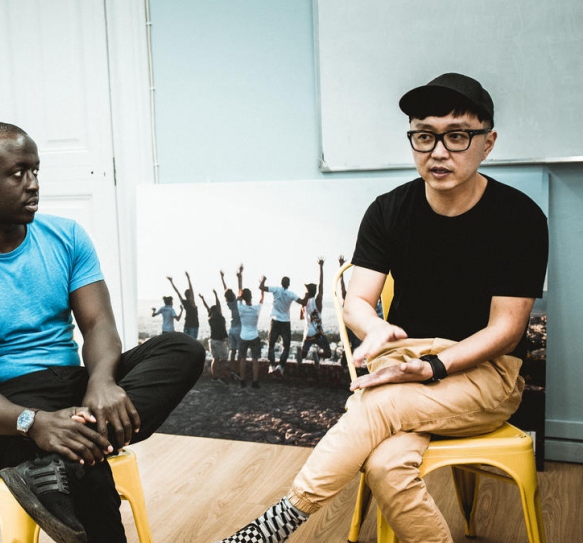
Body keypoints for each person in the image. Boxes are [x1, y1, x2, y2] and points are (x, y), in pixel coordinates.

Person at [217, 73, 548, 543]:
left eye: (457, 136)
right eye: (424, 136)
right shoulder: (388, 210)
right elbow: (358, 301)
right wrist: (371, 327)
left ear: (487, 142)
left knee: (380, 407)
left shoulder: (520, 218)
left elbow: (507, 330)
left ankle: (275, 525)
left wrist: (432, 367)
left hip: (485, 373)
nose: (438, 152)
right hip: (402, 365)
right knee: (387, 464)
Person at [0, 122, 204, 543]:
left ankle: (67, 449)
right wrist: (33, 423)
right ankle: (71, 449)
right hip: (4, 408)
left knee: (181, 349)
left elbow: (98, 323)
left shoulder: (66, 238)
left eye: (36, 171)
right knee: (83, 466)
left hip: (73, 386)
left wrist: (101, 382)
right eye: (18, 173)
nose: (34, 185)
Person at [260, 274, 308, 375]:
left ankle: (272, 365)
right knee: (286, 346)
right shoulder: (291, 294)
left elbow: (261, 287)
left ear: (281, 283)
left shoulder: (276, 289)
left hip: (275, 320)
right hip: (285, 322)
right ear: (288, 284)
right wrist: (307, 292)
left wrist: (263, 280)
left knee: (271, 344)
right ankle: (281, 366)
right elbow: (303, 302)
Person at [298, 258, 331, 366]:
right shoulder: (317, 301)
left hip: (308, 334)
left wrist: (304, 301)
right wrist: (321, 267)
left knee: (302, 355)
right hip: (319, 333)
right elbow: (321, 285)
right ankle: (317, 355)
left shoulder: (304, 303)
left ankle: (303, 353)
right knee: (328, 353)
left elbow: (301, 318)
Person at [236, 287, 263, 389]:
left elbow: (238, 298)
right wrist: (262, 288)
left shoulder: (241, 308)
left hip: (243, 336)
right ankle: (255, 382)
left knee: (242, 359)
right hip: (254, 336)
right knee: (255, 360)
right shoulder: (256, 309)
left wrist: (240, 295)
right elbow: (261, 299)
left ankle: (242, 381)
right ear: (251, 297)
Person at [200, 290, 230, 376]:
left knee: (215, 359)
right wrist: (216, 295)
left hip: (212, 340)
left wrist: (203, 299)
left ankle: (215, 376)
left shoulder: (210, 318)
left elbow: (207, 308)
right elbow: (218, 305)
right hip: (219, 341)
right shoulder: (219, 317)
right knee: (224, 359)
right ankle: (223, 376)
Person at [220, 267, 243, 366]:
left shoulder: (229, 304)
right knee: (240, 352)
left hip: (232, 329)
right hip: (239, 329)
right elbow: (240, 288)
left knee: (233, 351)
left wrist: (222, 278)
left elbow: (226, 291)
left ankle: (231, 368)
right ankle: (238, 370)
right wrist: (239, 275)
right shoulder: (238, 302)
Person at [169, 271, 200, 339]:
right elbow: (191, 290)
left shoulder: (185, 302)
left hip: (187, 325)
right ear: (190, 296)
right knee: (192, 343)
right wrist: (188, 278)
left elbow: (177, 292)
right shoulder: (192, 302)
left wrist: (171, 282)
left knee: (186, 342)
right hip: (193, 326)